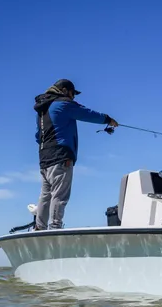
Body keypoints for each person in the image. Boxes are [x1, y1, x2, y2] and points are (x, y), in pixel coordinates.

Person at [33, 78, 119, 230]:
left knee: (45, 196)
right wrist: (108, 119)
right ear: (65, 90)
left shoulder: (42, 110)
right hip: (60, 157)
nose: (73, 97)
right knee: (59, 196)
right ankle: (54, 228)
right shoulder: (63, 103)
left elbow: (38, 136)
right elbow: (86, 113)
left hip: (44, 158)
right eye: (73, 94)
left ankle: (39, 228)